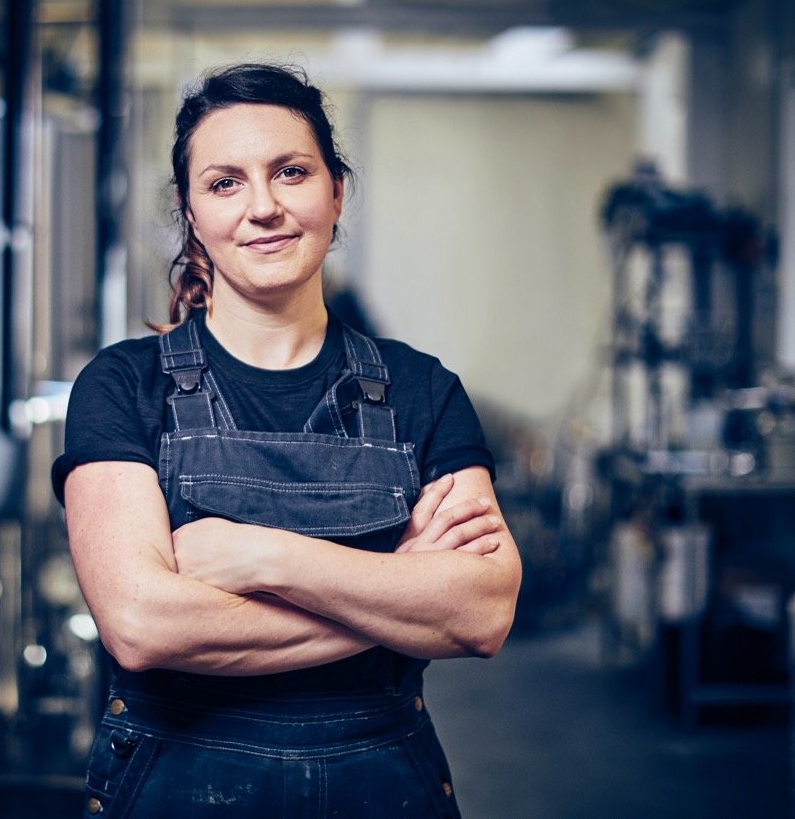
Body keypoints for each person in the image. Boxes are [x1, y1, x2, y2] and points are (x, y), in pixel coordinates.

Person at [52, 62, 521, 818]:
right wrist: (396, 594)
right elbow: (141, 624)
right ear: (191, 213)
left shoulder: (421, 391)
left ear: (337, 192)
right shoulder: (121, 387)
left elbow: (483, 612)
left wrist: (265, 557)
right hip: (177, 784)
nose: (263, 207)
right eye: (225, 183)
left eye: (291, 172)